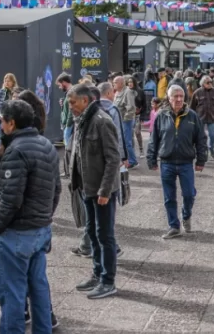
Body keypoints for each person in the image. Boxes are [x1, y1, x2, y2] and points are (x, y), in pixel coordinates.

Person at [0, 92, 59, 330]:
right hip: (39, 229)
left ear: (11, 123)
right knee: (39, 290)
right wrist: (44, 218)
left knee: (12, 295)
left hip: (17, 233)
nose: (0, 125)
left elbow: (11, 200)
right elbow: (56, 191)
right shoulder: (46, 145)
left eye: (2, 120)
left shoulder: (16, 150)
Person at [68, 84, 121, 299]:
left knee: (104, 235)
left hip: (101, 191)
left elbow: (113, 159)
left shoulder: (102, 121)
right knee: (92, 232)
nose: (70, 106)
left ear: (85, 101)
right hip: (87, 189)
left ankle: (108, 280)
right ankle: (98, 273)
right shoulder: (83, 120)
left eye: (73, 102)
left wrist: (105, 190)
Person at [147, 85, 208, 239]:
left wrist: (201, 159)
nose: (179, 99)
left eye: (181, 96)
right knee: (169, 197)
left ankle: (186, 215)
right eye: (175, 96)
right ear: (169, 98)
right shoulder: (162, 115)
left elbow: (201, 139)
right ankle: (174, 226)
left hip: (186, 162)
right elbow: (154, 139)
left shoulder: (192, 116)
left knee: (189, 194)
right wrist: (151, 158)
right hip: (166, 162)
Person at [190, 75, 214, 158]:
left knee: (213, 135)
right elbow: (192, 107)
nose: (210, 84)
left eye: (211, 82)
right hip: (200, 118)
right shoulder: (197, 92)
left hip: (212, 117)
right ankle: (202, 150)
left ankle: (211, 147)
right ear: (203, 83)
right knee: (201, 136)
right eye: (208, 82)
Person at [114, 76, 139, 169]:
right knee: (122, 141)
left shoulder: (128, 92)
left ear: (121, 83)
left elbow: (131, 107)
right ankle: (125, 160)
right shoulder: (117, 92)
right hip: (119, 121)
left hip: (125, 121)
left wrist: (125, 119)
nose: (114, 84)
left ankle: (133, 161)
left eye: (115, 82)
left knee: (126, 142)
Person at [56, 73, 74, 178]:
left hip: (69, 124)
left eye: (59, 85)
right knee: (67, 149)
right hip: (67, 123)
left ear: (64, 82)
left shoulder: (71, 92)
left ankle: (68, 171)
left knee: (68, 149)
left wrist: (67, 124)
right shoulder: (68, 93)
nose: (59, 87)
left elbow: (71, 111)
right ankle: (67, 171)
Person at [0, 73, 18, 145]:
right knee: (1, 141)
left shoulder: (16, 92)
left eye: (9, 81)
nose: (7, 82)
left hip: (12, 120)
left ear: (13, 82)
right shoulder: (2, 91)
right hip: (2, 119)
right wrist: (1, 118)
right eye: (5, 81)